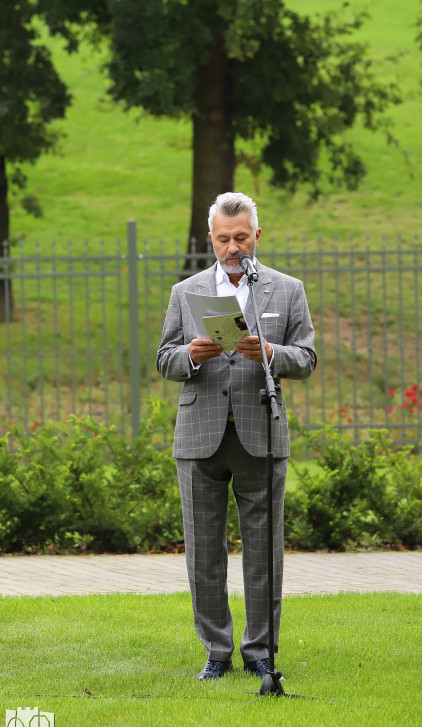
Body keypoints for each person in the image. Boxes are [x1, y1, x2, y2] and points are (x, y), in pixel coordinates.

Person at [156, 192, 316, 681]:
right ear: (211, 239)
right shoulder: (187, 292)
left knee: (264, 551)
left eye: (241, 238)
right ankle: (216, 652)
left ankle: (261, 651)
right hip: (199, 435)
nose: (232, 247)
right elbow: (165, 359)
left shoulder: (287, 290)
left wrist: (270, 351)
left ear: (257, 236)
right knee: (204, 553)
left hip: (260, 434)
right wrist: (193, 355)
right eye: (223, 239)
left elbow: (306, 359)